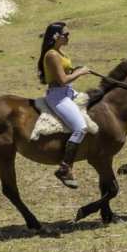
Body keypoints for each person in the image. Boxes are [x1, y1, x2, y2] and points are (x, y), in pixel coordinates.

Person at [37, 21, 93, 188]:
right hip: (58, 96)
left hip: (68, 92)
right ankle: (65, 168)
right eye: (65, 34)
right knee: (80, 128)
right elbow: (62, 80)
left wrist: (74, 70)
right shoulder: (52, 55)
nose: (68, 36)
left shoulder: (59, 52)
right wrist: (80, 72)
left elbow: (63, 73)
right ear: (56, 36)